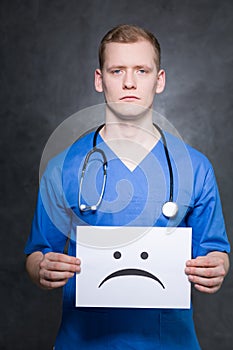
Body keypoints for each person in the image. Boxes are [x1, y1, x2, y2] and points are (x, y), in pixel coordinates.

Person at [25, 24, 230, 349]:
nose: (129, 82)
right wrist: (42, 268)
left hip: (169, 343)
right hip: (83, 342)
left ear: (158, 80)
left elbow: (215, 252)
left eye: (142, 70)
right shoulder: (63, 168)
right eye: (117, 70)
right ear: (99, 78)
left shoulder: (195, 167)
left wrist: (217, 267)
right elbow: (37, 253)